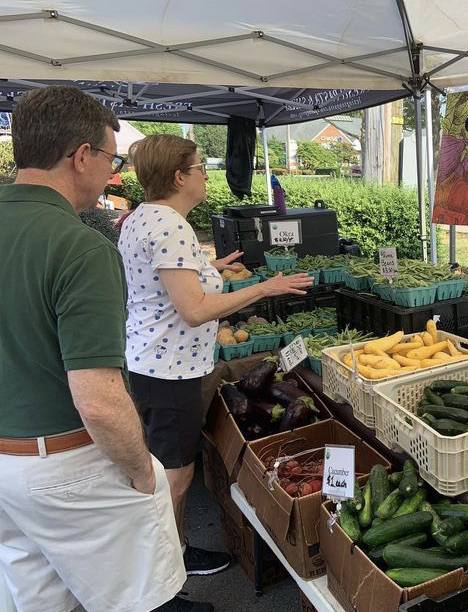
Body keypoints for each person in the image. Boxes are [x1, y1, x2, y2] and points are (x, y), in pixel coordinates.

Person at [0, 86, 193, 612]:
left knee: (38, 597)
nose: (114, 173)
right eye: (111, 158)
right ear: (81, 155)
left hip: (6, 468)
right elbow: (100, 400)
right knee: (140, 596)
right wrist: (139, 470)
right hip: (65, 461)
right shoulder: (78, 245)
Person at [118, 134, 313, 583]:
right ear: (178, 176)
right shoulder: (169, 226)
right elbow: (193, 310)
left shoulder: (142, 218)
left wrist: (212, 268)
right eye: (199, 167)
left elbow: (172, 286)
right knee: (175, 474)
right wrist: (263, 288)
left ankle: (170, 551)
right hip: (171, 370)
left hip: (154, 362)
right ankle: (162, 569)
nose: (206, 175)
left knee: (168, 468)